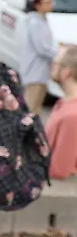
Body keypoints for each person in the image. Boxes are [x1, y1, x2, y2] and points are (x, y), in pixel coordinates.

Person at [20, 0, 58, 115]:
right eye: (47, 3)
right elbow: (41, 48)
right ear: (37, 5)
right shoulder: (34, 23)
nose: (50, 5)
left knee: (36, 107)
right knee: (30, 105)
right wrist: (58, 55)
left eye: (51, 2)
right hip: (34, 70)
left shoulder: (43, 21)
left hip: (42, 71)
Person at [47, 46, 77, 180]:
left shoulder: (72, 115)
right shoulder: (64, 102)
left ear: (67, 72)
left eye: (56, 63)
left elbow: (59, 169)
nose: (52, 65)